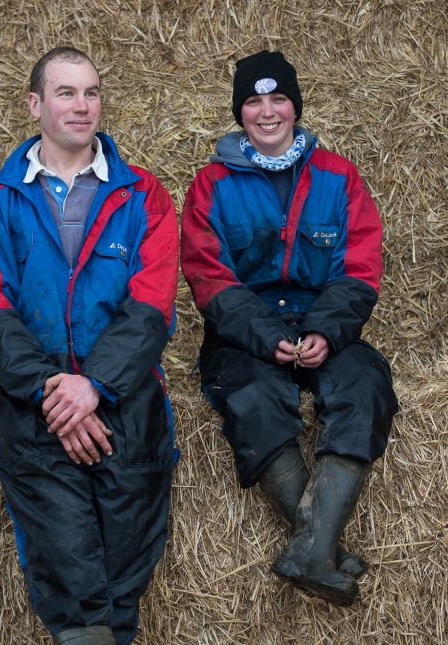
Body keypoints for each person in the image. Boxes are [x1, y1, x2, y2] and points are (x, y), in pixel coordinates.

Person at [0, 47, 179, 644]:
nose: (81, 106)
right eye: (65, 92)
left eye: (91, 92)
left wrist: (95, 384)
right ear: (35, 104)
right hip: (37, 412)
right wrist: (54, 388)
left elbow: (153, 306)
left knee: (123, 578)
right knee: (72, 581)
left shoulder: (145, 197)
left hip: (127, 408)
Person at [181, 50, 398, 607]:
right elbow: (208, 274)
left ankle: (311, 546)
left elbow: (359, 266)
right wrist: (262, 335)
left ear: (295, 107)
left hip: (323, 320)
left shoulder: (338, 176)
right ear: (240, 114)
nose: (268, 111)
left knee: (365, 384)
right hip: (244, 333)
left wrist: (326, 331)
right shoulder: (210, 185)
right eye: (253, 101)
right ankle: (320, 547)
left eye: (279, 99)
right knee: (251, 396)